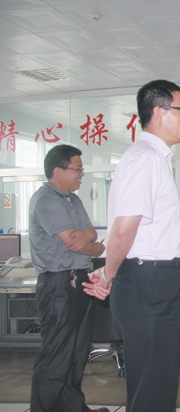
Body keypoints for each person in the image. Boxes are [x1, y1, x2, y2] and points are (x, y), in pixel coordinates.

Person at [83, 79, 180, 412]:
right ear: (158, 112)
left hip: (152, 278)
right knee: (151, 380)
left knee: (158, 375)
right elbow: (123, 229)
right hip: (147, 280)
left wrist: (110, 271)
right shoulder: (145, 158)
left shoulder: (154, 158)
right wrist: (108, 274)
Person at [28, 144, 108, 412]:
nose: (82, 174)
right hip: (58, 285)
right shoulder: (46, 200)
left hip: (80, 279)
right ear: (58, 170)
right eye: (78, 169)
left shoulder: (73, 200)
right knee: (57, 355)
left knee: (77, 353)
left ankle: (73, 408)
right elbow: (74, 242)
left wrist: (90, 240)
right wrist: (93, 244)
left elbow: (92, 234)